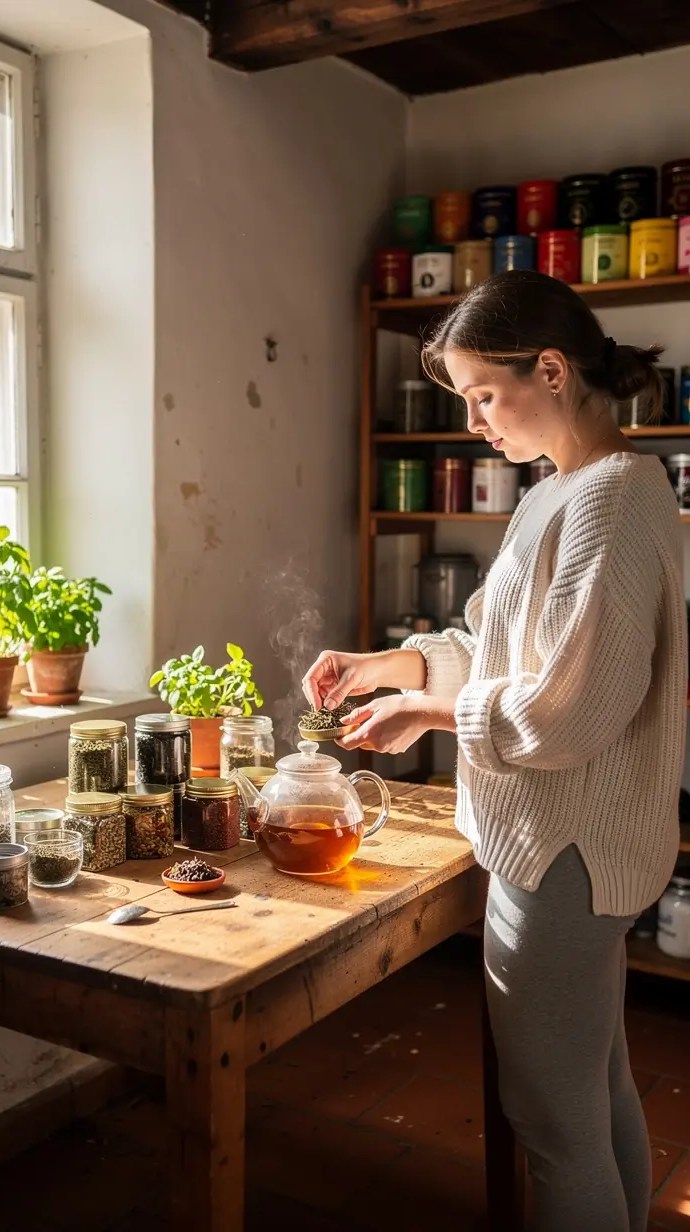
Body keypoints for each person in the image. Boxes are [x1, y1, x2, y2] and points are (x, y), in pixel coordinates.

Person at [302, 270, 686, 1232]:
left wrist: (432, 718)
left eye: (482, 394)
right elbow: (500, 648)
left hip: (559, 850)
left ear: (550, 370)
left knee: (552, 1123)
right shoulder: (564, 492)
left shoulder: (608, 502)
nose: (473, 419)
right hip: (565, 843)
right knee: (596, 1089)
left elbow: (567, 711)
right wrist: (388, 667)